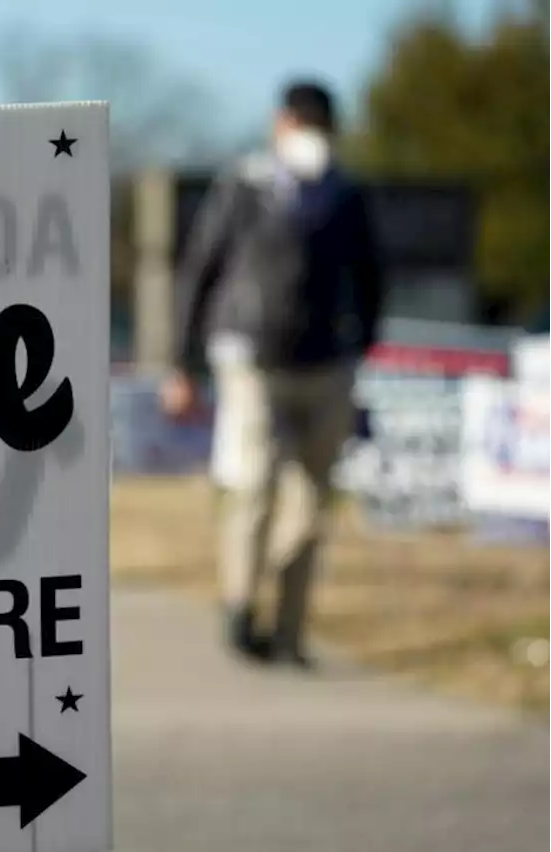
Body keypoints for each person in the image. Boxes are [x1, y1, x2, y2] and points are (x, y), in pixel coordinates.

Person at [160, 79, 386, 667]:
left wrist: (181, 364)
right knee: (285, 494)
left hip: (288, 358)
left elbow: (197, 272)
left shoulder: (280, 186)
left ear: (282, 120)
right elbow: (203, 271)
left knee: (278, 493)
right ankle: (259, 617)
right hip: (282, 361)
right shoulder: (290, 188)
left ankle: (267, 620)